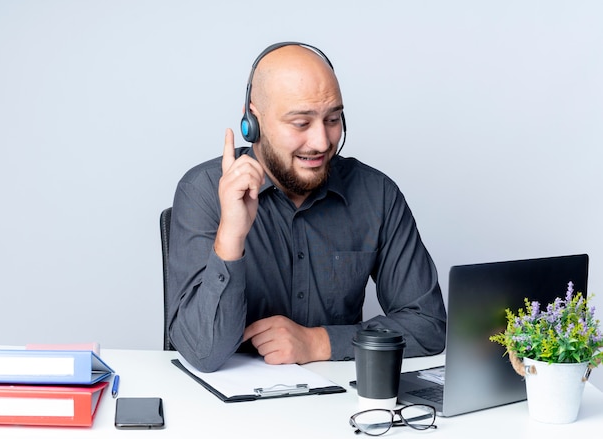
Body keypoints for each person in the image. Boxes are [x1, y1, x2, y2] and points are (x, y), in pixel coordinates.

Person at [167, 42, 446, 373]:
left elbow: (429, 325)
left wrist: (319, 342)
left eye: (333, 119)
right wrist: (231, 236)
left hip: (339, 407)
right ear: (252, 120)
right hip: (234, 411)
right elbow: (204, 353)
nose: (322, 142)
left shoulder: (377, 194)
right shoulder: (202, 191)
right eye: (301, 123)